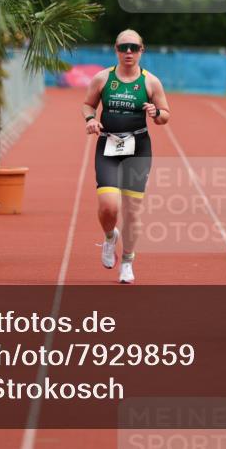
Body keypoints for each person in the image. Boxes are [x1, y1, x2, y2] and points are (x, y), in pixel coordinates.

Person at [81, 30, 171, 283]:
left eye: (133, 47)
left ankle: (128, 261)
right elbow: (88, 104)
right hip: (108, 144)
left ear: (142, 49)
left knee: (132, 211)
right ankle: (110, 237)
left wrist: (156, 113)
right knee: (109, 206)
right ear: (116, 50)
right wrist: (90, 119)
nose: (128, 52)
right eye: (123, 48)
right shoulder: (102, 78)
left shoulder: (150, 82)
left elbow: (165, 116)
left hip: (138, 148)